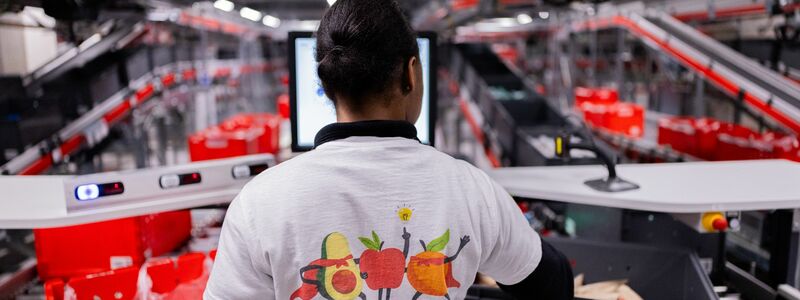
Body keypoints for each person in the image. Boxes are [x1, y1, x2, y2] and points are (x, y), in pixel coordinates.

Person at [204, 0, 573, 299]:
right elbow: (552, 286)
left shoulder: (259, 202)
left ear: (327, 85)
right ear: (411, 73)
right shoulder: (472, 190)